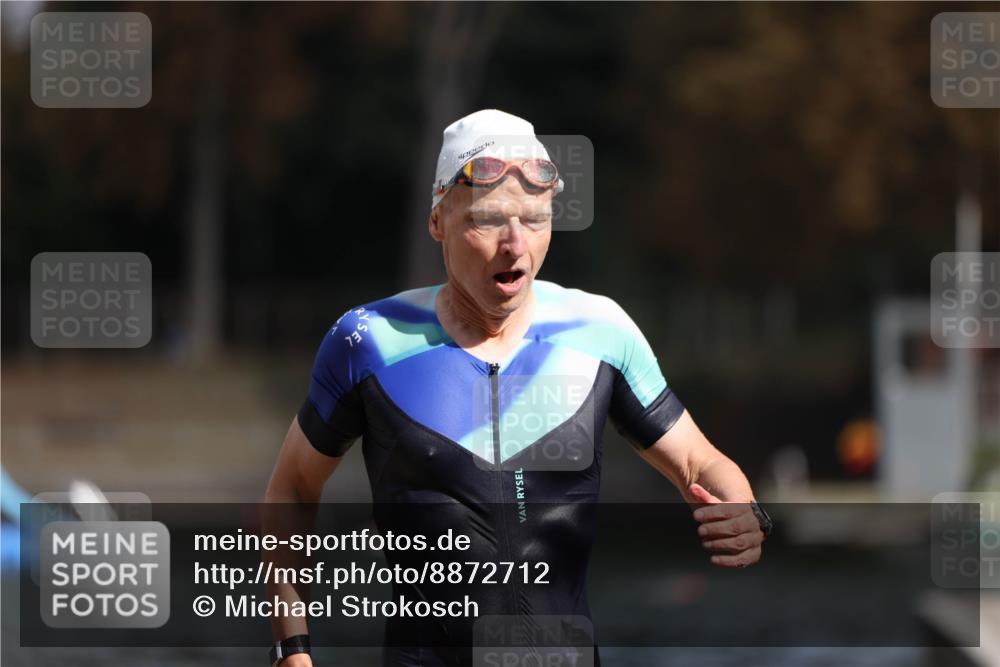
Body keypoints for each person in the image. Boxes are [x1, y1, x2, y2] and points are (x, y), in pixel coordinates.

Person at [264, 109, 770, 667]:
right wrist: (292, 650)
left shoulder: (599, 331)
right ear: (438, 221)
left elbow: (701, 463)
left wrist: (745, 510)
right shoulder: (370, 341)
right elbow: (291, 489)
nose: (515, 244)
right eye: (489, 220)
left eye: (534, 219)